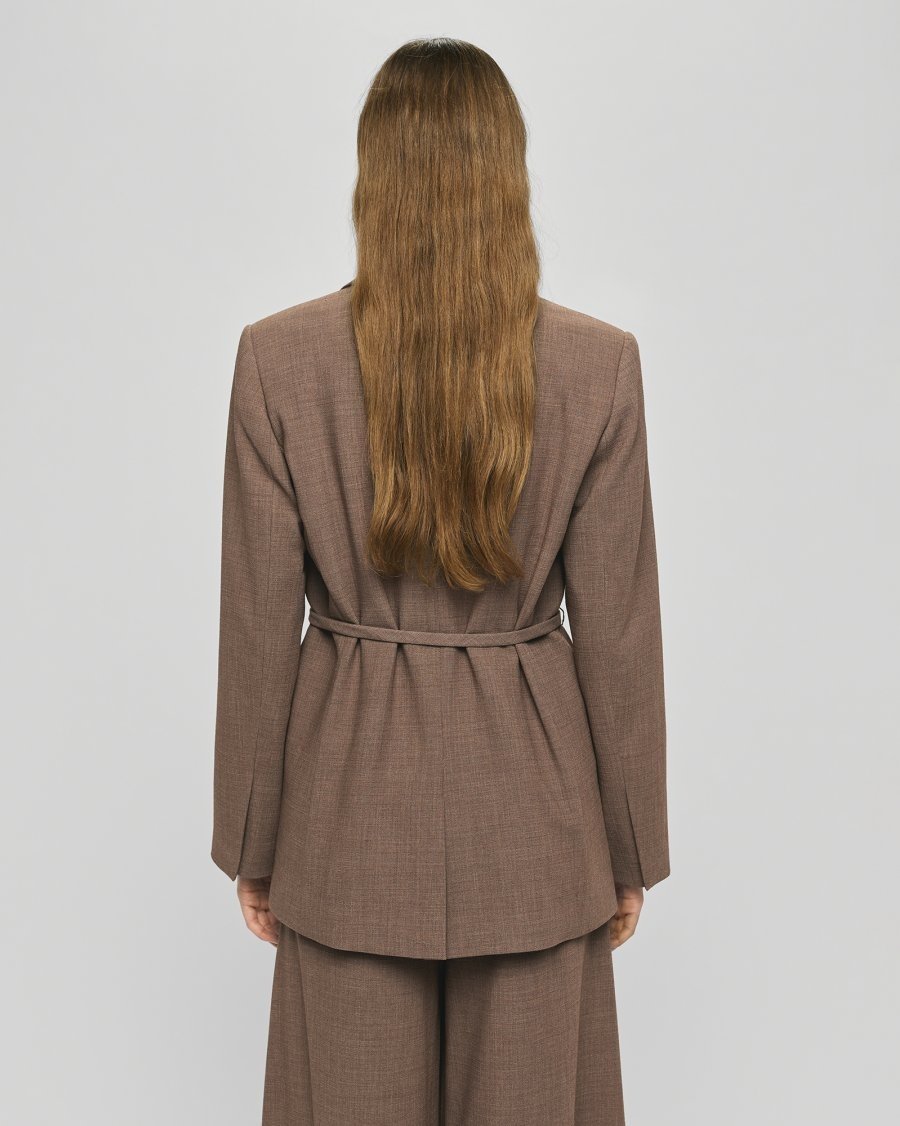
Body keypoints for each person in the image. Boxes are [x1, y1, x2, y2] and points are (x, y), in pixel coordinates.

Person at [211, 36, 670, 1126]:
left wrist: (254, 840)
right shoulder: (598, 366)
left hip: (345, 820)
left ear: (372, 175)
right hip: (541, 822)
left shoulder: (280, 361)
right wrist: (630, 844)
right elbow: (619, 634)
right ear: (508, 174)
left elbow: (256, 629)